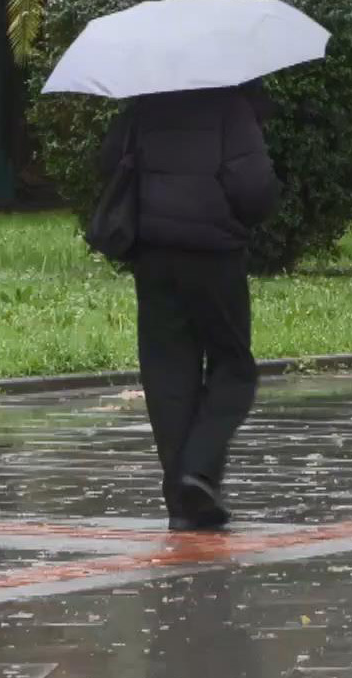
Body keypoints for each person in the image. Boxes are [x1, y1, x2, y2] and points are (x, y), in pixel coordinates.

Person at [98, 84, 280, 531]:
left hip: (154, 255)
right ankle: (197, 473)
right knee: (233, 367)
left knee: (167, 373)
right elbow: (254, 188)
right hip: (214, 256)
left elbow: (107, 162)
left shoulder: (146, 103)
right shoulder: (230, 107)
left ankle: (183, 503)